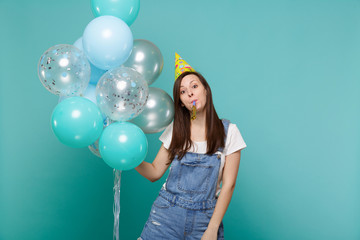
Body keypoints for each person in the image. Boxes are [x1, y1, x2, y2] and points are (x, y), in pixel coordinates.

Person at [135, 53, 247, 240]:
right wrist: (131, 159)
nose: (190, 93)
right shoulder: (176, 130)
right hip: (166, 217)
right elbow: (154, 172)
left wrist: (212, 228)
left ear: (205, 90)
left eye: (194, 86)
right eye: (183, 91)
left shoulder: (229, 132)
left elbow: (229, 185)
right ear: (181, 102)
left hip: (205, 221)